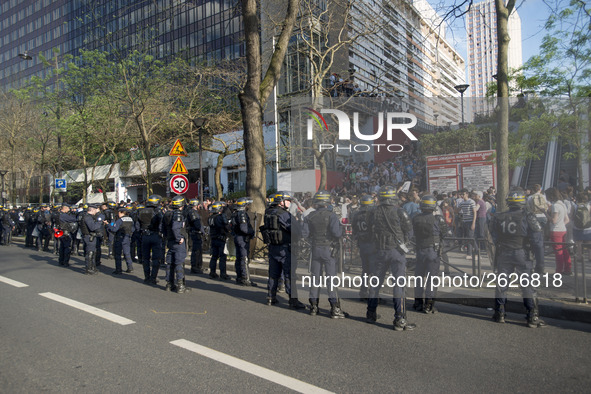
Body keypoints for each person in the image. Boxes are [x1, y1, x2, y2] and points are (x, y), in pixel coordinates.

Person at [489, 188, 546, 328]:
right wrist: (541, 263)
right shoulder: (528, 217)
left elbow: (493, 236)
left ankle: (500, 313)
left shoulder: (498, 217)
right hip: (522, 253)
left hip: (504, 253)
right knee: (527, 285)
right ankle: (532, 316)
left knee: (502, 284)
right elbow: (537, 243)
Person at [366, 186, 415, 331]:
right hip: (396, 251)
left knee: (375, 284)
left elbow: (370, 230)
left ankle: (371, 313)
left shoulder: (373, 212)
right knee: (398, 285)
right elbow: (409, 232)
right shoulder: (400, 212)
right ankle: (399, 318)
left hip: (380, 251)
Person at [302, 191, 346, 318]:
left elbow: (305, 234)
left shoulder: (309, 216)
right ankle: (334, 308)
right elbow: (337, 233)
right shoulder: (331, 215)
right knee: (331, 279)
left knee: (315, 278)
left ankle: (313, 306)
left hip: (315, 248)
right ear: (327, 202)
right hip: (328, 249)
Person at [260, 191, 305, 309]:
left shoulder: (268, 212)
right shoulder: (285, 215)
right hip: (285, 249)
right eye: (288, 201)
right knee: (289, 275)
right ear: (281, 202)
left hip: (272, 247)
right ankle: (293, 300)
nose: (289, 203)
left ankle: (271, 297)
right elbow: (297, 231)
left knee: (273, 274)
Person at [412, 195, 448, 314]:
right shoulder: (438, 219)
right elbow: (446, 234)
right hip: (433, 251)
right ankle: (429, 305)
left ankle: (417, 303)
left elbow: (411, 235)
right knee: (431, 279)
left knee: (419, 278)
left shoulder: (415, 218)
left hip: (420, 251)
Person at [350, 194, 375, 300]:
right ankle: (373, 294)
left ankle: (363, 292)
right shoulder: (372, 215)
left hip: (362, 244)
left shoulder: (356, 215)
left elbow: (354, 230)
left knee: (365, 270)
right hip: (372, 244)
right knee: (374, 271)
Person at [162, 196, 188, 293]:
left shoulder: (167, 213)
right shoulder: (178, 214)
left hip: (170, 241)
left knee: (170, 263)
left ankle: (169, 284)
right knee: (179, 263)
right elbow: (175, 228)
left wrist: (168, 237)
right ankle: (180, 286)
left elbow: (162, 228)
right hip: (177, 242)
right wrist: (179, 238)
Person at [138, 195, 164, 285]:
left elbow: (138, 225)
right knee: (156, 258)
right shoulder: (157, 211)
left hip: (145, 235)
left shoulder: (141, 211)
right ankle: (153, 277)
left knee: (146, 258)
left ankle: (146, 277)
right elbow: (162, 222)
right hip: (155, 235)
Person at [231, 197, 257, 286]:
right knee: (244, 258)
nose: (248, 206)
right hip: (242, 238)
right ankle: (245, 278)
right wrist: (251, 232)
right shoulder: (242, 214)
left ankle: (239, 277)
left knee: (239, 257)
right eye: (247, 205)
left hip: (237, 237)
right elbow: (243, 228)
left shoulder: (235, 213)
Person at [546, 188, 572, 275]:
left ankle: (559, 271)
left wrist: (545, 213)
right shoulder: (562, 204)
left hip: (555, 230)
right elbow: (567, 219)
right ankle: (568, 269)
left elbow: (554, 220)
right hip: (563, 229)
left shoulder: (555, 206)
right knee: (564, 250)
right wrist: (562, 225)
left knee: (558, 252)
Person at [106, 207, 135, 275]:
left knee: (118, 254)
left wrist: (108, 225)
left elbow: (114, 229)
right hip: (127, 237)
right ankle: (130, 267)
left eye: (118, 212)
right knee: (127, 253)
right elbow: (133, 229)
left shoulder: (120, 220)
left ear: (121, 212)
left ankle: (118, 269)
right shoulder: (131, 219)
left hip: (120, 237)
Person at [208, 201, 231, 280]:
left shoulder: (211, 217)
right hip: (221, 238)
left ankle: (212, 272)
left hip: (213, 238)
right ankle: (223, 273)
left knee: (214, 256)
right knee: (222, 257)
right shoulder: (221, 217)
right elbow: (226, 226)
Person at [80, 204, 104, 275]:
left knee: (93, 252)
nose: (97, 211)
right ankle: (89, 268)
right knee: (90, 252)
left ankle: (93, 267)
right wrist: (99, 222)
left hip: (91, 236)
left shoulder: (89, 217)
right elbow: (92, 227)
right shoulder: (88, 217)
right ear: (92, 210)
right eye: (96, 209)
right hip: (89, 237)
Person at [457, 189, 477, 259]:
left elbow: (475, 212)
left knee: (470, 237)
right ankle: (477, 251)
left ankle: (469, 253)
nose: (462, 196)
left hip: (470, 221)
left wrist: (473, 223)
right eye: (461, 194)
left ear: (467, 194)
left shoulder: (471, 201)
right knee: (469, 237)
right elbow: (457, 210)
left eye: (463, 194)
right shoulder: (461, 202)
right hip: (464, 221)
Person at [186, 198, 204, 274]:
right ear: (196, 205)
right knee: (196, 251)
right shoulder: (193, 213)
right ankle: (195, 266)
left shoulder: (192, 212)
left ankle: (198, 266)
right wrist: (201, 230)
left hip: (196, 233)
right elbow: (197, 224)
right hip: (196, 233)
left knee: (199, 250)